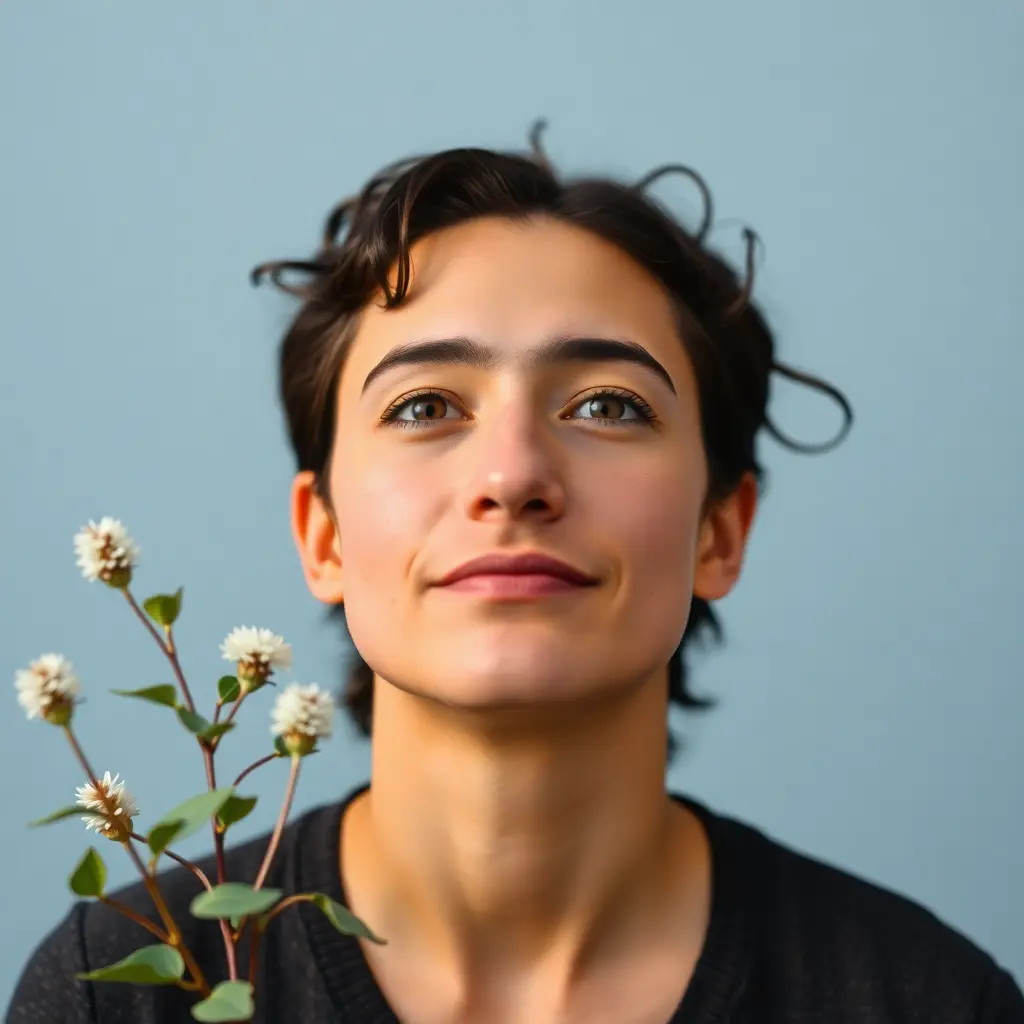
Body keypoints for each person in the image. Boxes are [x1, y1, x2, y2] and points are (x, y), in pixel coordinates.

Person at [7, 125, 1023, 1024]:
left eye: (607, 405)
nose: (512, 476)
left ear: (721, 529)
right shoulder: (131, 987)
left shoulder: (926, 998)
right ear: (321, 536)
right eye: (422, 407)